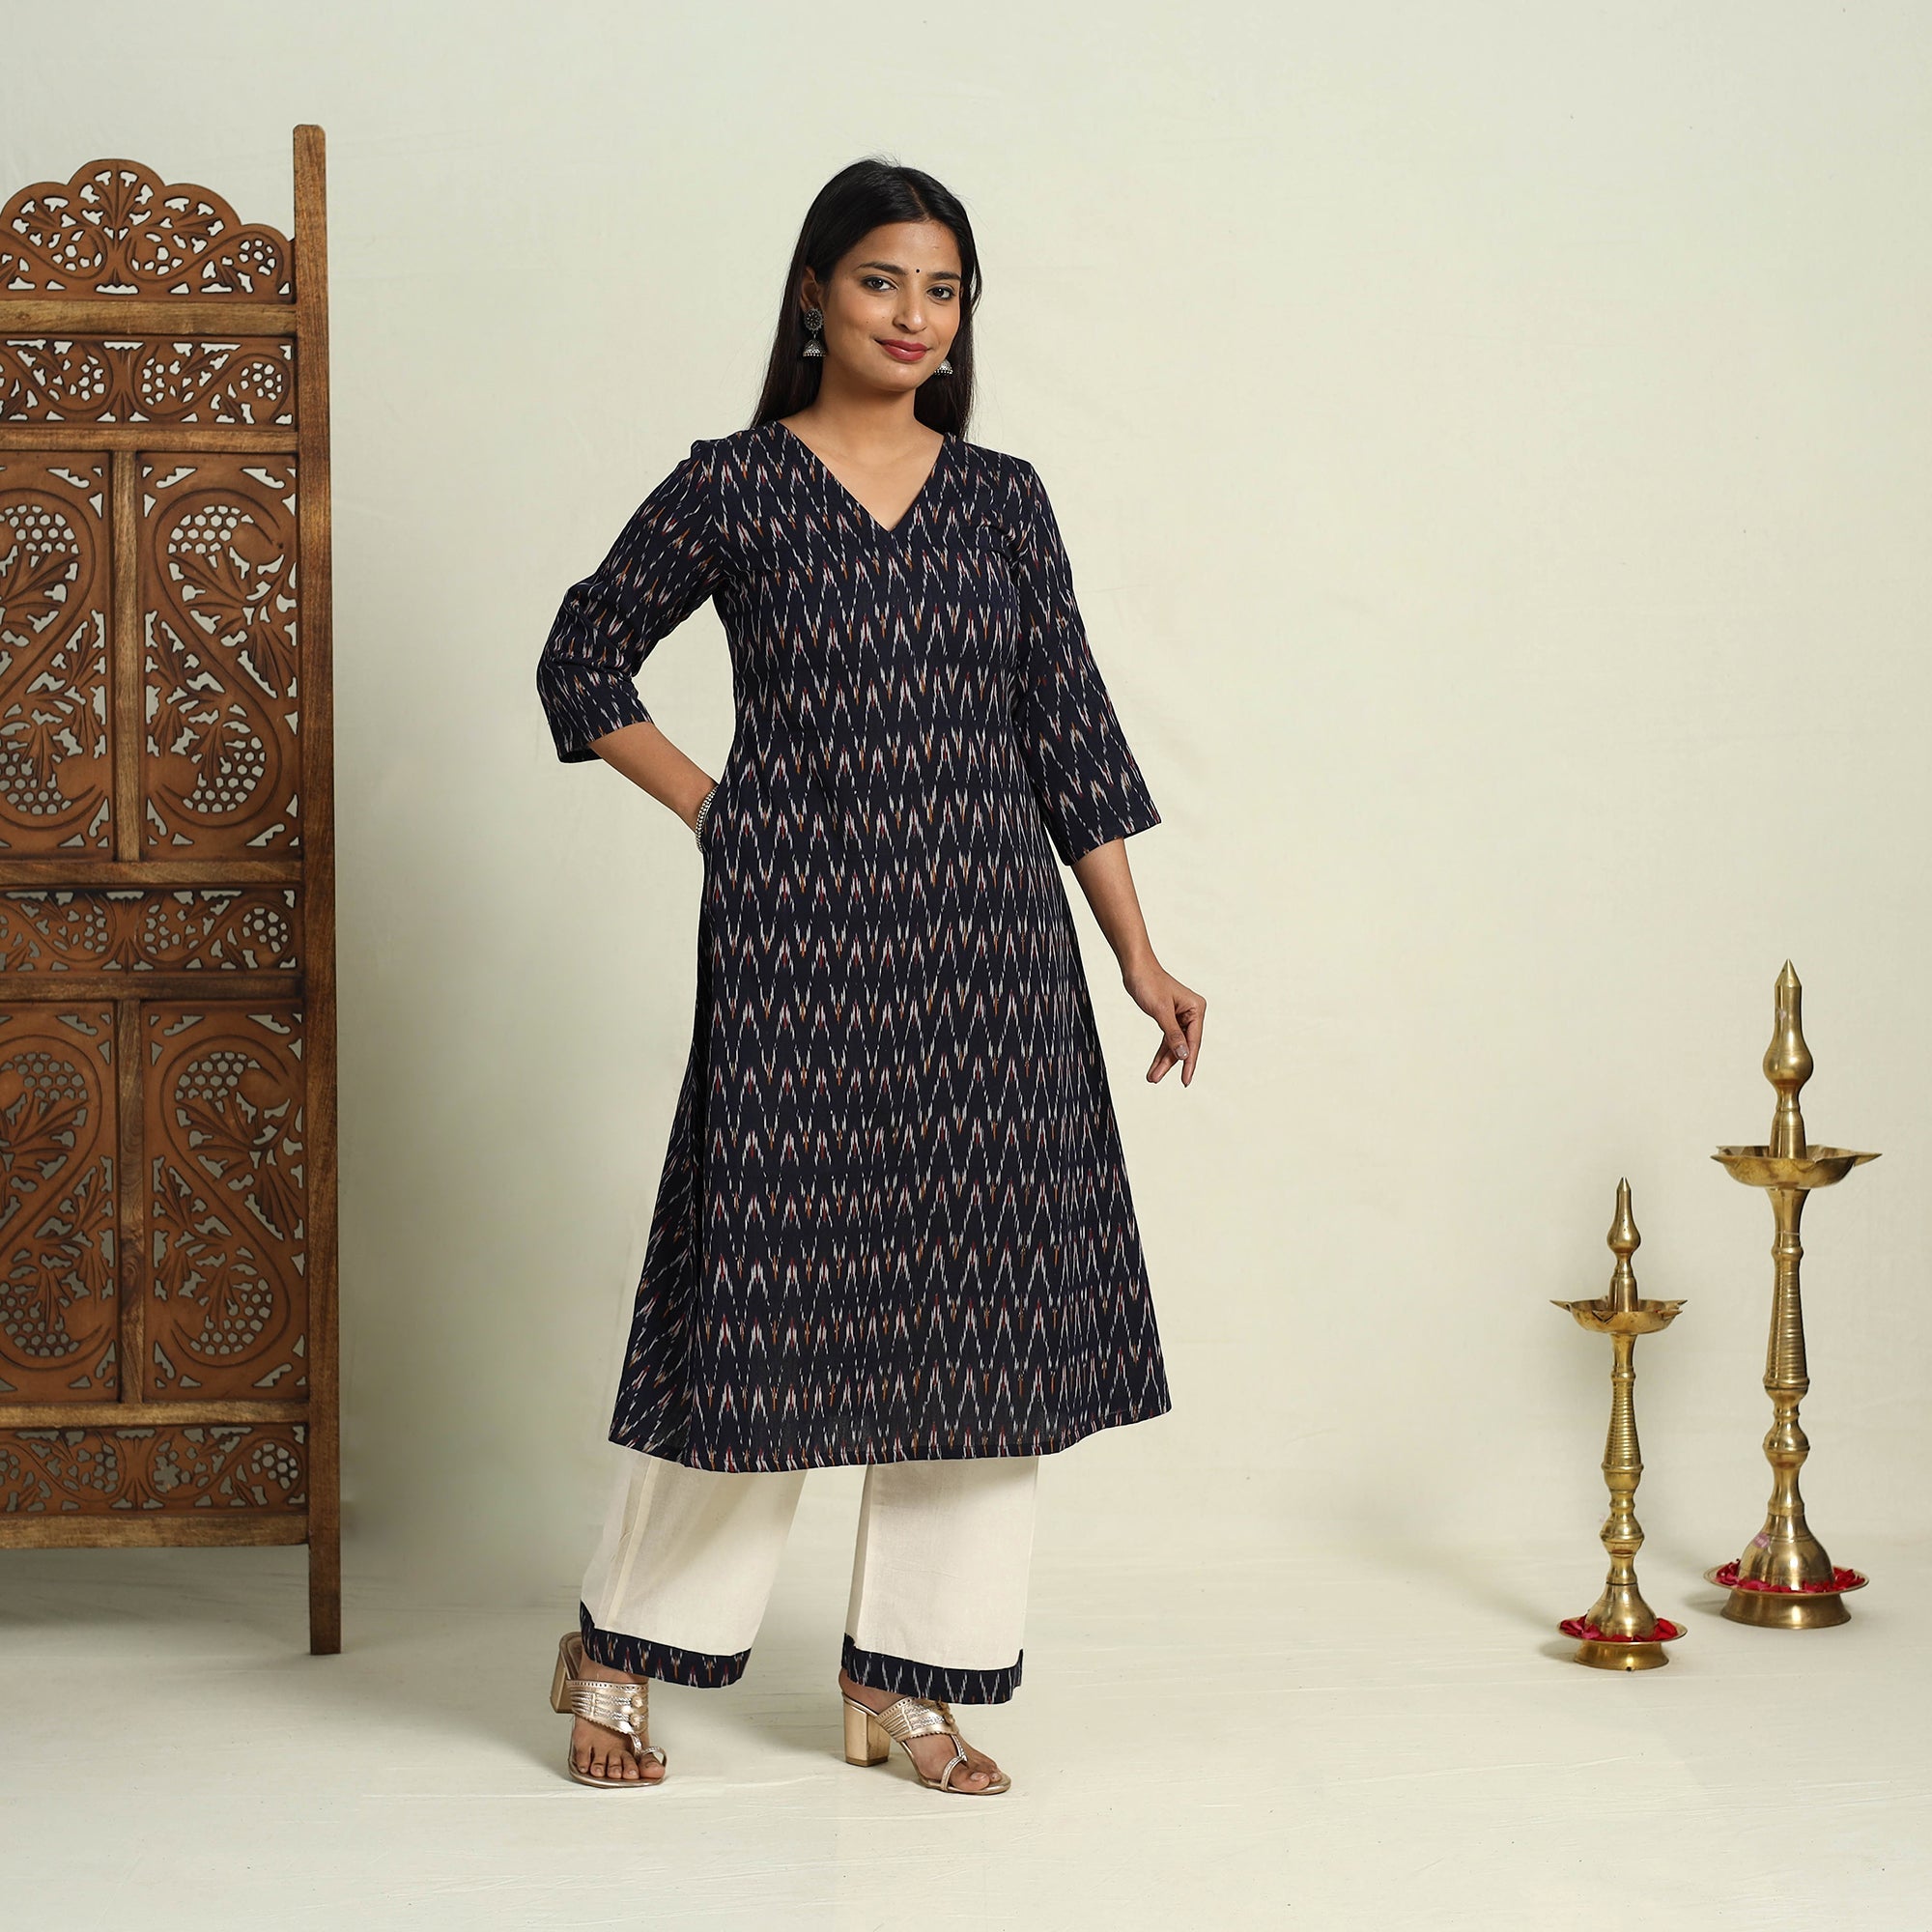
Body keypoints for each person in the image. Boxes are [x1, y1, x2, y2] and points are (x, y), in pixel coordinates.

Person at [534, 157, 1205, 1795]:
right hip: (803, 949)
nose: (916, 316)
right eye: (883, 280)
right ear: (814, 295)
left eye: (944, 289)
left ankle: (907, 1683)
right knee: (759, 1300)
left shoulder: (1003, 501)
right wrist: (719, 812)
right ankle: (619, 1648)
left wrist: (1136, 949)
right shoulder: (735, 486)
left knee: (983, 1312)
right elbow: (582, 655)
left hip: (992, 958)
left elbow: (1067, 731)